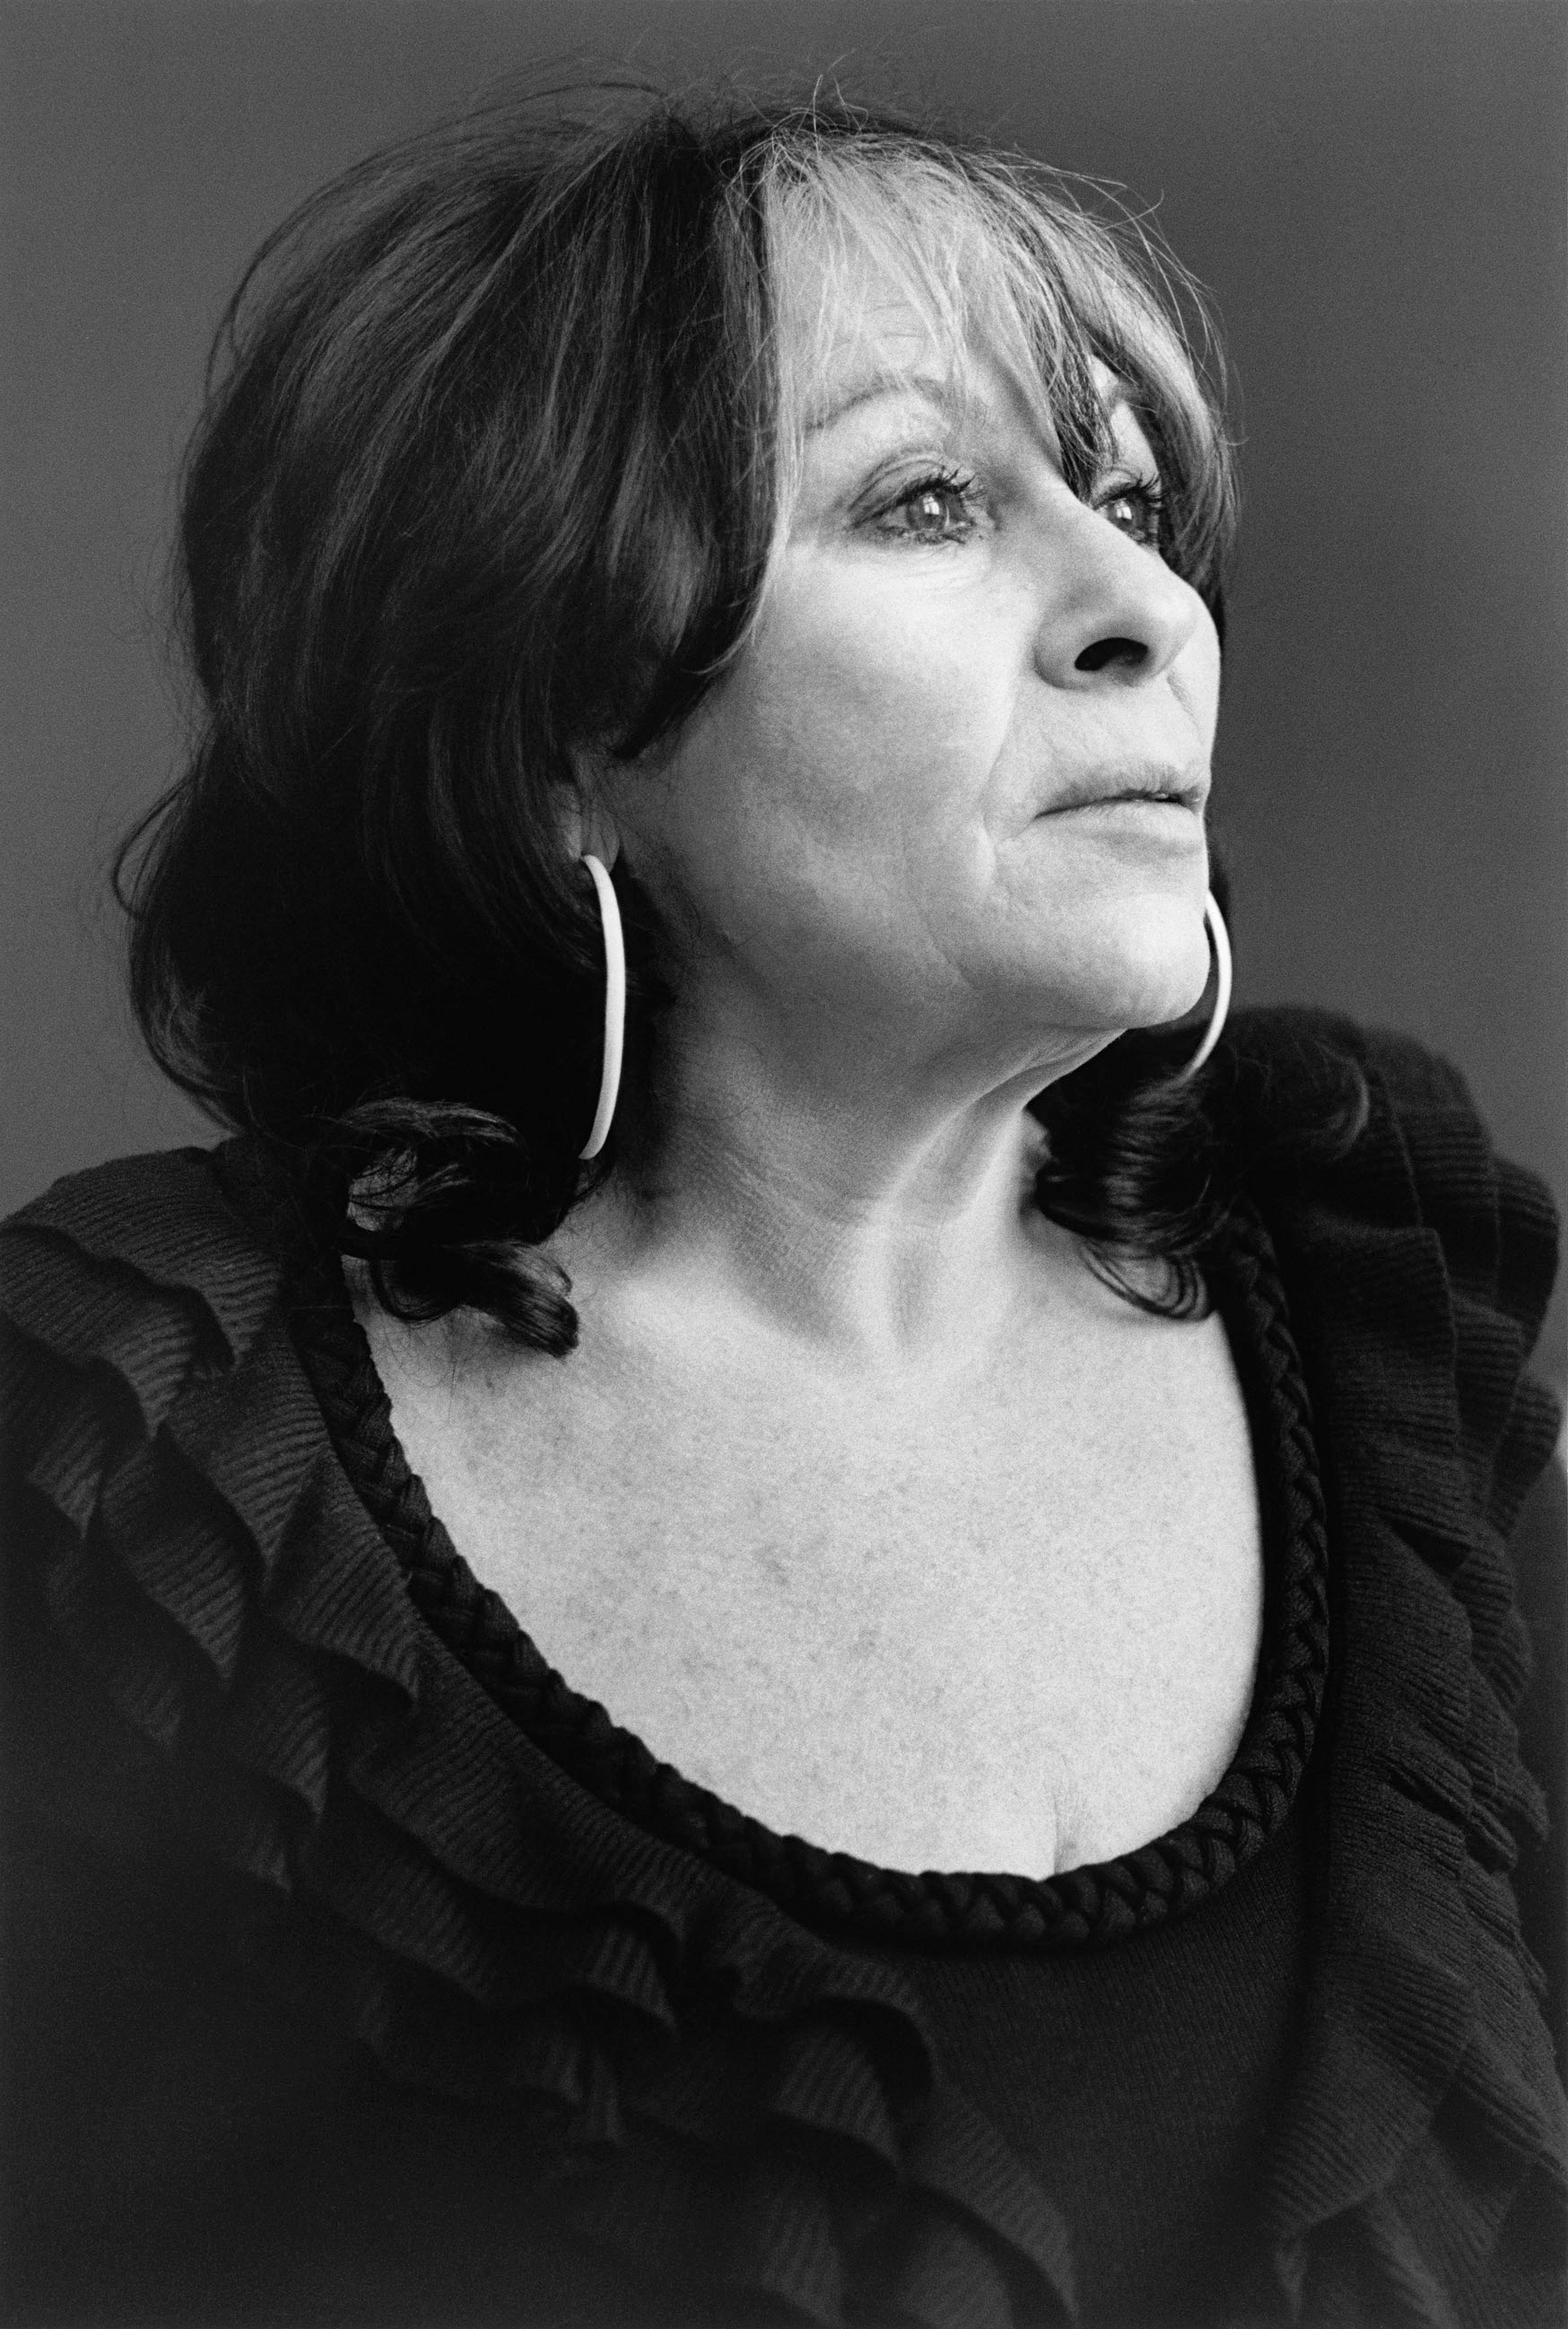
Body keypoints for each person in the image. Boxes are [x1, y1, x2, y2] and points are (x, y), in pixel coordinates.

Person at [1, 83, 1563, 2329]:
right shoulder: (143, 1464)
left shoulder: (1383, 1329)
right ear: (558, 733)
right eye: (926, 501)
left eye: (1133, 501)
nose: (1144, 607)